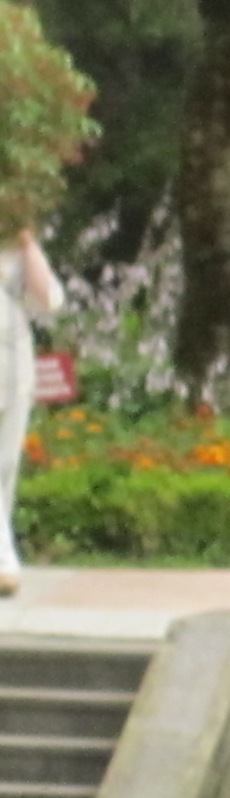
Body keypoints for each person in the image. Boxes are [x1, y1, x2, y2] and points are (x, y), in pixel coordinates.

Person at [0, 226, 63, 597]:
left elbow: (49, 299)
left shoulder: (16, 246)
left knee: (6, 465)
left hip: (12, 367)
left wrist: (27, 241)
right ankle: (4, 560)